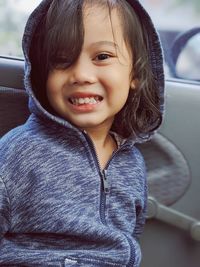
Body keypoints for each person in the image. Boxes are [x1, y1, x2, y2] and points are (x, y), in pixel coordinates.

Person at [0, 0, 164, 266]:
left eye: (102, 57)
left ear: (135, 72)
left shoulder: (132, 163)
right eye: (62, 61)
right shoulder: (20, 152)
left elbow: (128, 240)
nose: (81, 74)